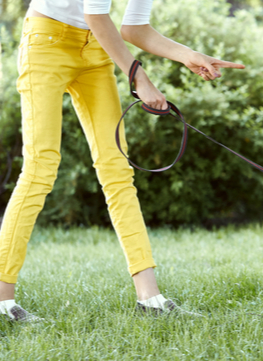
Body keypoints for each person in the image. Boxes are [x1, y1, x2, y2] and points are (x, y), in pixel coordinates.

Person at [0, 0, 245, 322]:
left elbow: (133, 28)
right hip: (47, 41)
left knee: (117, 170)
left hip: (95, 49)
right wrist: (139, 78)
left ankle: (150, 299)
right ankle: (3, 302)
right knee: (40, 168)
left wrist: (187, 54)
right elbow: (96, 14)